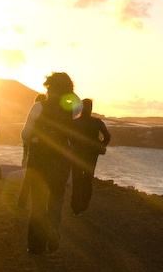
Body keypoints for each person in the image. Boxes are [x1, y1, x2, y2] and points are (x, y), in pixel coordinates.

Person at [21, 72, 77, 254]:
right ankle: (53, 228)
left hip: (39, 159)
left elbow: (25, 133)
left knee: (38, 202)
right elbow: (78, 102)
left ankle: (36, 246)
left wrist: (34, 138)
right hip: (61, 160)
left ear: (48, 87)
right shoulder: (71, 109)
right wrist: (68, 92)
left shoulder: (38, 106)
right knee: (56, 199)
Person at [69, 98, 111, 215]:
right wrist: (100, 147)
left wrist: (72, 147)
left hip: (77, 154)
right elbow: (107, 136)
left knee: (77, 179)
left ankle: (75, 207)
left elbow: (69, 137)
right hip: (92, 155)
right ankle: (84, 206)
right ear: (91, 108)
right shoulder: (97, 122)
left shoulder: (75, 122)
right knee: (88, 179)